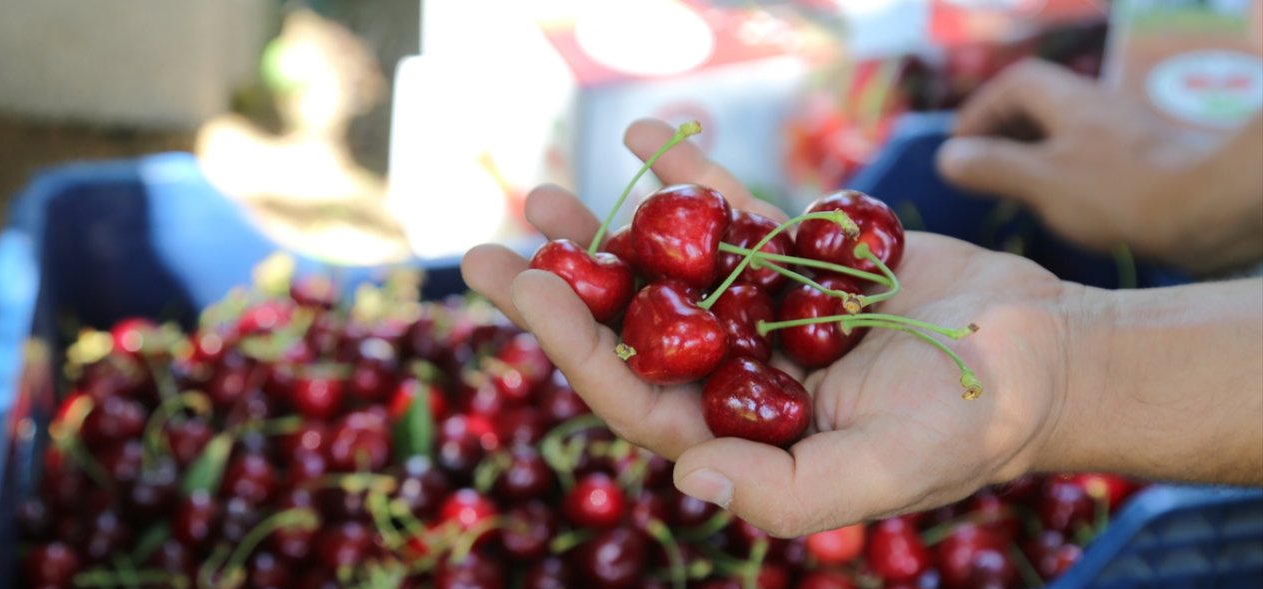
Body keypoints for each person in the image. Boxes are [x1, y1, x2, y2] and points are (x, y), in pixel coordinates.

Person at [461, 59, 1263, 538]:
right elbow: (730, 301)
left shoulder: (751, 298)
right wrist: (1200, 201)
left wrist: (1057, 373)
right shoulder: (727, 296)